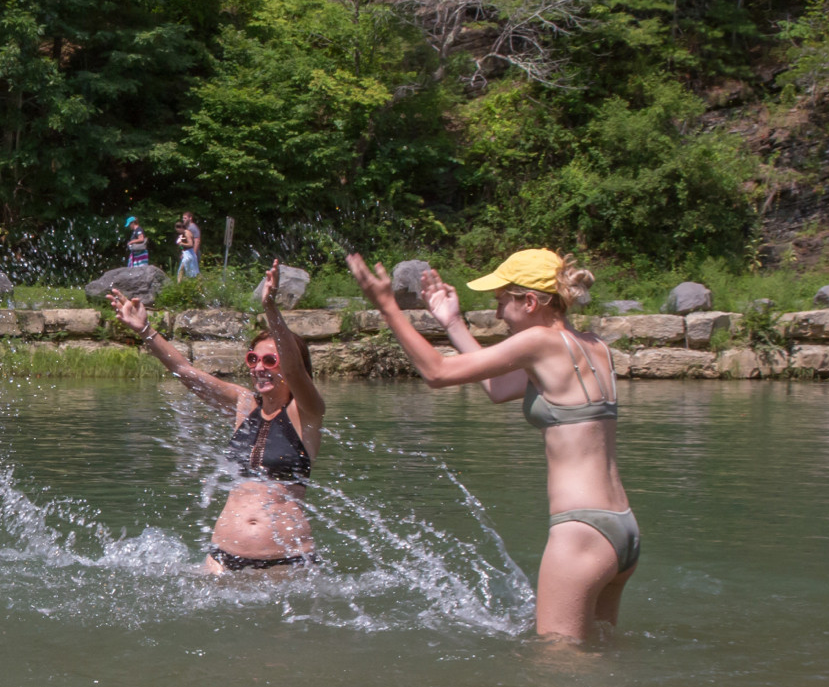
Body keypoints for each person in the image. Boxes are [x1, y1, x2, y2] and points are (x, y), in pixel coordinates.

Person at [347, 248, 638, 643]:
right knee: (599, 655)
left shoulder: (538, 341)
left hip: (581, 533)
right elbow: (499, 388)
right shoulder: (592, 346)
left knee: (557, 670)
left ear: (530, 301)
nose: (499, 314)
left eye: (502, 301)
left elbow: (437, 372)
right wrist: (451, 322)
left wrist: (387, 307)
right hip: (622, 530)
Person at [108, 260, 325, 572]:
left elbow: (294, 369)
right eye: (253, 358)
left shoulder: (307, 412)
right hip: (223, 558)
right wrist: (144, 328)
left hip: (286, 563)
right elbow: (185, 371)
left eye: (269, 359)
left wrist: (270, 307)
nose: (258, 367)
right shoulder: (243, 403)